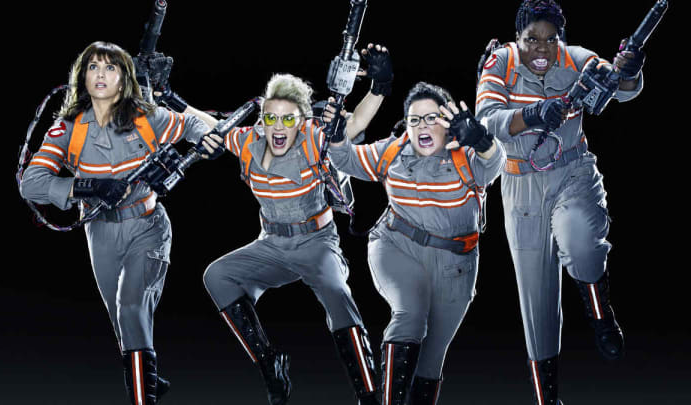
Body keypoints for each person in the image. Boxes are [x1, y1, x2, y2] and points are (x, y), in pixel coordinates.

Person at [20, 41, 221, 405]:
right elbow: (31, 183)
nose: (101, 74)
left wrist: (202, 138)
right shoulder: (68, 128)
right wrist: (89, 186)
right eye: (93, 67)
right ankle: (149, 378)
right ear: (82, 76)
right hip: (100, 232)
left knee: (131, 306)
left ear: (124, 77)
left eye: (110, 67)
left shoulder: (146, 116)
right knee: (122, 319)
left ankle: (143, 397)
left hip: (147, 225)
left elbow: (191, 124)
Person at [200, 44, 392, 405]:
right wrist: (163, 97)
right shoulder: (249, 141)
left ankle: (369, 393)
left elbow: (354, 124)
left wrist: (379, 86)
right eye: (270, 118)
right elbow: (210, 125)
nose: (278, 127)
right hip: (271, 244)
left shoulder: (313, 139)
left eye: (288, 119)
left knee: (337, 294)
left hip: (316, 242)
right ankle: (269, 364)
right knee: (217, 276)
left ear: (301, 122)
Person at [475, 1, 645, 403]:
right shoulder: (499, 63)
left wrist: (630, 69)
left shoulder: (576, 59)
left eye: (550, 39)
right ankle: (548, 399)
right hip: (521, 184)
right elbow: (487, 120)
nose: (541, 48)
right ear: (517, 39)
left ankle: (601, 316)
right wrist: (534, 113)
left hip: (571, 170)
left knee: (580, 238)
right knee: (536, 301)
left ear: (561, 39)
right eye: (531, 39)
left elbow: (619, 86)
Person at [326, 82, 505, 405]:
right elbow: (347, 160)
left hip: (456, 263)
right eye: (415, 120)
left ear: (448, 122)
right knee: (410, 313)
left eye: (432, 118)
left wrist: (482, 140)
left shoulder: (464, 155)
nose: (423, 126)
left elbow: (495, 164)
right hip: (397, 246)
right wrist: (337, 137)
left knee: (433, 355)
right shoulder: (393, 151)